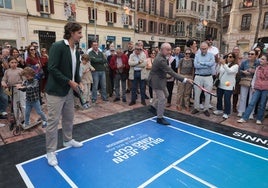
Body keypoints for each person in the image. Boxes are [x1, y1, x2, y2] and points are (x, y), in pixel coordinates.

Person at [45, 22, 83, 166]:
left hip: (68, 90)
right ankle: (50, 151)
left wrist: (78, 83)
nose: (81, 35)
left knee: (69, 117)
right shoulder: (58, 46)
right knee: (53, 122)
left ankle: (67, 140)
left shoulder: (76, 50)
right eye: (79, 32)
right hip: (55, 91)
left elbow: (74, 70)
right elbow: (52, 68)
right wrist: (69, 82)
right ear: (72, 33)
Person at [148, 43, 193, 125]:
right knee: (162, 99)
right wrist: (185, 79)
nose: (170, 51)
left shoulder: (163, 56)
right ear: (162, 50)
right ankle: (159, 118)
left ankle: (153, 106)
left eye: (170, 49)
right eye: (168, 50)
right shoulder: (160, 59)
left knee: (166, 94)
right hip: (156, 81)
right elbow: (171, 72)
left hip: (161, 80)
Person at [237, 54, 268, 125]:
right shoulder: (258, 68)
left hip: (265, 89)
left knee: (262, 104)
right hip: (257, 88)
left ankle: (259, 119)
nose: (261, 60)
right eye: (261, 59)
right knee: (251, 103)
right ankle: (244, 118)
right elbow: (254, 77)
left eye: (263, 59)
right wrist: (253, 86)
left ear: (267, 61)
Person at [191, 42, 215, 117]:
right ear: (200, 48)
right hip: (198, 76)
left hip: (208, 76)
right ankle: (196, 108)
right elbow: (196, 65)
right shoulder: (197, 55)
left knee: (207, 93)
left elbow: (211, 64)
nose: (203, 50)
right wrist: (206, 64)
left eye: (205, 48)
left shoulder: (211, 55)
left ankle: (206, 109)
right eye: (202, 48)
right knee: (197, 93)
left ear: (207, 48)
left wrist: (201, 63)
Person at [213, 52, 239, 119]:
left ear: (234, 58)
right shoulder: (224, 64)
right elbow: (218, 71)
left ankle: (226, 112)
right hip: (221, 84)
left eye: (230, 57)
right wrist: (219, 64)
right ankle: (219, 109)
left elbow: (229, 71)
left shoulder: (235, 66)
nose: (228, 58)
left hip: (229, 85)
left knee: (227, 99)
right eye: (227, 56)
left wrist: (224, 64)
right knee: (219, 98)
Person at [1, 57, 26, 125]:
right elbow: (4, 79)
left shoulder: (20, 70)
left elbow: (24, 79)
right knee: (14, 106)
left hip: (20, 89)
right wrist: (3, 83)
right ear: (9, 63)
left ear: (17, 63)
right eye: (12, 62)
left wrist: (21, 85)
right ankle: (18, 119)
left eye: (15, 62)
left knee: (23, 104)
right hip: (12, 90)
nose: (14, 64)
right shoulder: (7, 71)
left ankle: (26, 120)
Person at [237, 50, 259, 118]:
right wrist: (243, 72)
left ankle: (250, 113)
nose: (250, 55)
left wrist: (254, 71)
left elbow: (260, 71)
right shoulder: (244, 62)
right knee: (243, 97)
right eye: (249, 54)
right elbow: (239, 70)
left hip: (254, 82)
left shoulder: (258, 62)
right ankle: (241, 111)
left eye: (252, 54)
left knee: (252, 98)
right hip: (245, 80)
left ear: (256, 55)